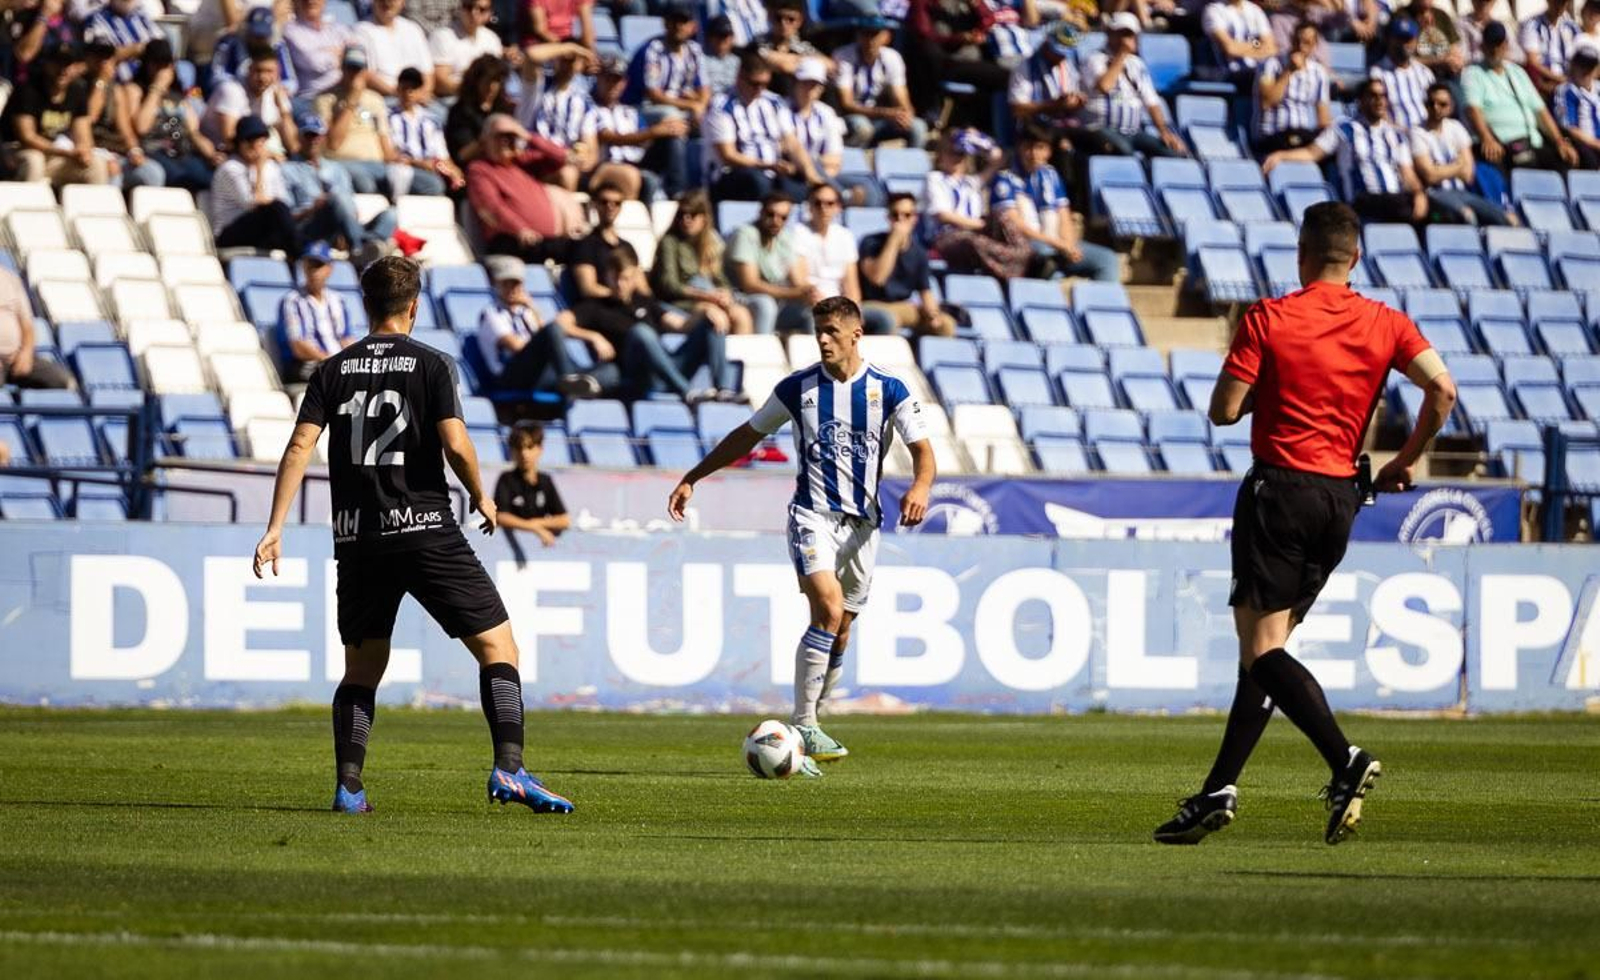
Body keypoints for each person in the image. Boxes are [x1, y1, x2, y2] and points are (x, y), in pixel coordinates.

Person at [1152, 201, 1455, 847]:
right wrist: (1405, 460)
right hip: (1342, 499)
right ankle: (1216, 791)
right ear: (1357, 259)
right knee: (1262, 657)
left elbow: (1225, 411)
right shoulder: (1387, 322)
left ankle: (1345, 761)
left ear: (1301, 254)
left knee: (1262, 652)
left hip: (1280, 490)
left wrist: (1275, 386)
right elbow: (1444, 391)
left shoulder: (1269, 316)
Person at [252, 255, 575, 817]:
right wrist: (481, 495)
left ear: (365, 303)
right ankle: (510, 769)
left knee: (362, 670)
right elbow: (454, 444)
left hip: (357, 540)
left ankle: (349, 788)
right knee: (498, 647)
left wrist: (275, 526)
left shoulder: (331, 369)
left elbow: (300, 446)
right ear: (415, 305)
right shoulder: (431, 364)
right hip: (425, 529)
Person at [667, 296, 935, 775]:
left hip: (863, 525)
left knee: (843, 627)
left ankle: (810, 729)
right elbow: (746, 435)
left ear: (857, 334)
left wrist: (920, 485)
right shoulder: (797, 389)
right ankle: (805, 721)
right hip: (811, 515)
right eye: (818, 332)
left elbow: (923, 450)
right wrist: (695, 475)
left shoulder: (888, 390)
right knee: (828, 609)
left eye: (832, 331)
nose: (824, 340)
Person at [574, 246, 741, 403]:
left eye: (625, 278)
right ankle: (687, 392)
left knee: (712, 321)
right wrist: (593, 336)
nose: (620, 284)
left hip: (668, 367)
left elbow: (681, 325)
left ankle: (724, 391)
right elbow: (562, 322)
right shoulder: (596, 306)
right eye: (615, 278)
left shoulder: (646, 302)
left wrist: (705, 310)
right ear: (607, 276)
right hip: (640, 375)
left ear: (634, 277)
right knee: (641, 332)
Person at [1263, 80, 1428, 225]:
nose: (1379, 101)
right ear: (1361, 100)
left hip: (1395, 201)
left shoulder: (1396, 135)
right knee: (1400, 205)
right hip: (1364, 199)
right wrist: (1281, 155)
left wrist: (1419, 194)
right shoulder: (1344, 128)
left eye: (1383, 96)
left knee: (1433, 210)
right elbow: (1313, 153)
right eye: (1373, 95)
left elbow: (1408, 174)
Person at [992, 126, 1121, 282]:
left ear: (1049, 151)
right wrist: (1058, 244)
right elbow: (1015, 225)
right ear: (1020, 148)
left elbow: (1064, 214)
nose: (1034, 154)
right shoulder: (1005, 179)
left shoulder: (1051, 175)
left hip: (1056, 244)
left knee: (1106, 259)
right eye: (1029, 147)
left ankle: (1102, 305)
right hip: (1026, 247)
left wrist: (1069, 244)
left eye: (1040, 148)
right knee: (1046, 258)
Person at [465, 114, 587, 264]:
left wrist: (528, 136)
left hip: (543, 242)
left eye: (510, 136)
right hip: (511, 241)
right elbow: (491, 207)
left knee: (588, 249)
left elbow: (564, 158)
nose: (505, 141)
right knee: (582, 251)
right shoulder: (479, 169)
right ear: (484, 141)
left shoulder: (522, 164)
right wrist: (519, 229)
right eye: (499, 136)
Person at [703, 51, 821, 204]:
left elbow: (792, 144)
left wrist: (809, 173)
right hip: (731, 175)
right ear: (739, 78)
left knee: (796, 187)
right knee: (759, 183)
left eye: (764, 84)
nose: (759, 89)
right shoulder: (721, 106)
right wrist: (767, 165)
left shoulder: (774, 102)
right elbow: (728, 156)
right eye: (754, 83)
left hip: (771, 172)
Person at [476, 254, 603, 394]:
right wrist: (545, 346)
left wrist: (532, 307)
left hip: (536, 372)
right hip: (510, 376)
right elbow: (518, 347)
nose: (511, 289)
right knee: (553, 329)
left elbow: (547, 339)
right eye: (506, 284)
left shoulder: (526, 312)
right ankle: (569, 380)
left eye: (516, 284)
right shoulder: (491, 314)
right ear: (496, 284)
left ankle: (573, 382)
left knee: (611, 371)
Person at [1463, 22, 1580, 174]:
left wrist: (1559, 141)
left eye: (1499, 44)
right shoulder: (1473, 73)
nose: (1495, 49)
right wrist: (1487, 138)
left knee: (1567, 162)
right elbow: (1473, 109)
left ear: (1506, 45)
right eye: (1491, 44)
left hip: (1531, 142)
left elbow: (1540, 111)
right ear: (1482, 46)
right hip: (1502, 145)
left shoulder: (1517, 72)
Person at [921, 128, 1034, 281]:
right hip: (947, 237)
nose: (957, 159)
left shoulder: (971, 182)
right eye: (951, 153)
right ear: (941, 156)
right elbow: (943, 215)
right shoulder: (934, 179)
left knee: (1002, 218)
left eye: (961, 154)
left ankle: (1024, 255)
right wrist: (978, 225)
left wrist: (977, 139)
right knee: (973, 242)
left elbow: (998, 159)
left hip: (976, 231)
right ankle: (1016, 268)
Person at [283, 109, 399, 257]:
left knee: (391, 214)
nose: (314, 140)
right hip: (309, 226)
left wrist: (345, 225)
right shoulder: (287, 170)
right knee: (336, 198)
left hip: (343, 226)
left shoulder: (336, 168)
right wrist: (313, 209)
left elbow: (350, 206)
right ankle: (360, 249)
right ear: (299, 138)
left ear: (324, 137)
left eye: (317, 135)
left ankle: (367, 244)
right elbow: (286, 216)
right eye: (309, 135)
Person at [0, 41, 111, 186]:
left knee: (96, 164)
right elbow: (27, 137)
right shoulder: (28, 90)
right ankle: (28, 207)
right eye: (58, 63)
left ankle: (92, 208)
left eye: (68, 64)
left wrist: (84, 151)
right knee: (34, 161)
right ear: (46, 64)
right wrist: (66, 152)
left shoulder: (77, 91)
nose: (63, 70)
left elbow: (84, 134)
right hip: (16, 151)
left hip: (55, 153)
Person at [1078, 12, 1188, 157]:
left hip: (1132, 131)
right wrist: (1122, 55)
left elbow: (1152, 102)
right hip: (1100, 128)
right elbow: (1104, 86)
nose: (1124, 39)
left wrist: (1164, 132)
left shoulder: (1137, 64)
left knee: (1174, 153)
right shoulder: (1095, 59)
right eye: (1120, 34)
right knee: (1123, 151)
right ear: (1110, 33)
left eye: (1128, 35)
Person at [628, 1, 708, 198]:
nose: (679, 26)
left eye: (684, 21)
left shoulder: (694, 50)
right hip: (642, 109)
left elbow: (705, 89)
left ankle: (705, 188)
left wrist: (701, 105)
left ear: (692, 26)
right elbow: (653, 94)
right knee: (672, 119)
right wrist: (692, 103)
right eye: (674, 21)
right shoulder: (652, 49)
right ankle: (677, 189)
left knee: (712, 120)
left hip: (679, 106)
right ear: (665, 23)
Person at [794, 183, 896, 335]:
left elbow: (851, 283)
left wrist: (854, 310)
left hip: (840, 304)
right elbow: (800, 280)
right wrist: (824, 305)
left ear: (838, 207)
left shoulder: (845, 236)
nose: (823, 208)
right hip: (809, 303)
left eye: (830, 203)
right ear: (809, 206)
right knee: (818, 318)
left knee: (884, 319)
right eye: (817, 203)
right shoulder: (798, 233)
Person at [651, 190, 756, 335]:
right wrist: (706, 295)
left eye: (692, 215)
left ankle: (740, 357)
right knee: (715, 316)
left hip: (709, 298)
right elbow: (669, 285)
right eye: (681, 215)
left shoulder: (710, 243)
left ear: (704, 218)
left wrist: (725, 293)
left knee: (741, 315)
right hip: (682, 302)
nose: (686, 220)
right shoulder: (669, 242)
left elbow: (720, 279)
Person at [1412, 82, 1515, 225]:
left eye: (1442, 104)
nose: (1436, 108)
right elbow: (1429, 176)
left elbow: (1468, 174)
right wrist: (1457, 165)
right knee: (1467, 216)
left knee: (1505, 219)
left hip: (1463, 192)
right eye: (1431, 103)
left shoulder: (1456, 127)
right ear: (1425, 105)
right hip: (1436, 193)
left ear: (1451, 107)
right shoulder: (1417, 132)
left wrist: (1439, 168)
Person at [858, 193, 958, 338]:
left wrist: (933, 314)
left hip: (903, 306)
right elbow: (878, 278)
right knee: (888, 319)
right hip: (872, 304)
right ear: (888, 218)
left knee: (946, 325)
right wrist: (893, 242)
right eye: (895, 215)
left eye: (907, 215)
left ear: (914, 219)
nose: (900, 220)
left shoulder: (919, 252)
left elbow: (925, 291)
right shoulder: (870, 243)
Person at [790, 57, 883, 209]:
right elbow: (787, 151)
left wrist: (815, 164)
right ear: (796, 84)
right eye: (805, 83)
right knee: (808, 163)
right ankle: (842, 197)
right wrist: (810, 162)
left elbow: (835, 159)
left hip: (825, 173)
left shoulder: (826, 113)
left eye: (814, 85)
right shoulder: (782, 110)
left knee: (870, 186)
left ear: (821, 88)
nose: (810, 89)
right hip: (795, 174)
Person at [587, 52, 675, 204]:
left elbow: (644, 142)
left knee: (672, 140)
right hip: (603, 166)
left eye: (617, 80)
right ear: (599, 78)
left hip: (634, 163)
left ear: (624, 83)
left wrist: (666, 131)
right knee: (641, 179)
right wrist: (653, 132)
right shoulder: (589, 108)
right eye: (608, 78)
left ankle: (677, 194)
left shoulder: (630, 112)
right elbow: (608, 137)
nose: (612, 84)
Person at [315, 46, 403, 195]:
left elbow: (384, 142)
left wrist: (399, 161)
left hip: (377, 163)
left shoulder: (376, 100)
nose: (354, 73)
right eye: (350, 68)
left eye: (358, 69)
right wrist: (351, 102)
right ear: (342, 68)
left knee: (429, 184)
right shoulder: (325, 100)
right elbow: (333, 144)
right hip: (343, 162)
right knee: (365, 184)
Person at [727, 191, 817, 336]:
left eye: (783, 217)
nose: (776, 220)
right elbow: (750, 284)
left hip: (777, 301)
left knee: (814, 309)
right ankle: (761, 356)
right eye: (770, 214)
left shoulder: (785, 237)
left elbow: (797, 280)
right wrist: (793, 293)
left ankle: (816, 356)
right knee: (765, 304)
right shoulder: (745, 234)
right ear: (761, 212)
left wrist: (809, 293)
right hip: (740, 299)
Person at [210, 114, 300, 253]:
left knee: (283, 215)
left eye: (260, 141)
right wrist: (259, 169)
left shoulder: (271, 167)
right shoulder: (230, 168)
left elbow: (283, 201)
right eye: (250, 141)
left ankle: (303, 251)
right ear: (239, 143)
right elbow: (252, 203)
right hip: (230, 231)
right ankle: (302, 251)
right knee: (276, 209)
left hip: (263, 228)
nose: (255, 146)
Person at [833, 15, 926, 150]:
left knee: (918, 127)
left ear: (886, 37)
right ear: (857, 36)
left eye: (875, 34)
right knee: (862, 127)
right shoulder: (843, 56)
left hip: (881, 119)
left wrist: (905, 114)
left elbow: (900, 96)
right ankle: (854, 165)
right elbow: (846, 103)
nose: (870, 40)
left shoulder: (892, 57)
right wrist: (886, 113)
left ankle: (911, 166)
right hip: (852, 117)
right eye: (865, 34)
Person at [202, 43, 300, 158]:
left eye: (269, 72)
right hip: (220, 154)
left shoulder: (276, 91)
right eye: (258, 71)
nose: (263, 77)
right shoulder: (231, 90)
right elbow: (230, 140)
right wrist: (270, 155)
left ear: (278, 73)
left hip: (257, 155)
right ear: (249, 69)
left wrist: (284, 112)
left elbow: (293, 146)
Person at [1252, 19, 1332, 155]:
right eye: (1297, 41)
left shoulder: (1319, 73)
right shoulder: (1271, 65)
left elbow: (1323, 118)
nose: (1301, 47)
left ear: (1314, 46)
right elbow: (1266, 103)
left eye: (1307, 43)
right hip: (1273, 133)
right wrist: (1288, 71)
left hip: (1302, 134)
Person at [278, 242, 355, 382]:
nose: (314, 271)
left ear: (329, 269)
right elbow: (297, 345)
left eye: (318, 265)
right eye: (309, 265)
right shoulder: (292, 301)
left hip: (334, 364)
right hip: (309, 363)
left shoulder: (338, 300)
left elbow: (345, 337)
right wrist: (329, 360)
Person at [494, 421, 571, 546]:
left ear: (540, 449)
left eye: (529, 447)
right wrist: (532, 527)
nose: (524, 454)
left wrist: (537, 524)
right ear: (512, 451)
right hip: (507, 550)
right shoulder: (506, 479)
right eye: (519, 448)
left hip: (538, 551)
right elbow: (500, 516)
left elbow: (564, 520)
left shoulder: (545, 480)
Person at [389, 67, 462, 196]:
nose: (409, 92)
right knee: (433, 185)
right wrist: (418, 163)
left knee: (461, 183)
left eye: (413, 88)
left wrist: (454, 172)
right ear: (398, 88)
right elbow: (391, 152)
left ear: (420, 91)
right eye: (405, 87)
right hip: (403, 168)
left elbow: (442, 155)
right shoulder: (388, 117)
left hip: (432, 167)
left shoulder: (431, 120)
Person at [0, 265, 75, 390]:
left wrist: (26, 353)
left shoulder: (10, 279)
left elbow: (27, 325)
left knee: (63, 381)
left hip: (16, 357)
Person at [210, 5, 300, 99]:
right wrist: (245, 84)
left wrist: (280, 89)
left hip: (270, 96)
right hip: (236, 97)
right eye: (255, 35)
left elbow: (291, 81)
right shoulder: (230, 43)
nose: (259, 40)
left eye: (263, 36)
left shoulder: (278, 45)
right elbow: (217, 77)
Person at [355, 0, 436, 98]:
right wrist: (402, 95)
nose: (387, 3)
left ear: (402, 2)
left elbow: (428, 72)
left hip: (418, 99)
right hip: (385, 98)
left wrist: (421, 93)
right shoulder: (361, 31)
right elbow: (366, 74)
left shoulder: (413, 29)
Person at [445, 54, 515, 165]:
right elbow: (463, 155)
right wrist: (489, 137)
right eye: (487, 81)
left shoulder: (504, 108)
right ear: (476, 81)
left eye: (496, 81)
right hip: (476, 168)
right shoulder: (460, 112)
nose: (492, 87)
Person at [430, 0, 507, 98]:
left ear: (489, 13)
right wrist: (474, 88)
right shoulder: (443, 36)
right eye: (469, 7)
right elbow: (441, 82)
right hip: (451, 99)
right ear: (460, 8)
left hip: (485, 99)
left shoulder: (492, 39)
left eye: (482, 9)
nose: (474, 13)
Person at [1371, 18, 1436, 130]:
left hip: (1427, 135)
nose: (1404, 44)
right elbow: (1378, 113)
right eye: (1399, 39)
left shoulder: (1425, 72)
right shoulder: (1377, 73)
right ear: (1389, 40)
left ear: (1416, 41)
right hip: (1396, 136)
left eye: (1408, 39)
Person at [756, 0, 829, 99]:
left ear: (799, 21)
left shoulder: (802, 46)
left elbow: (830, 65)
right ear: (769, 16)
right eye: (778, 18)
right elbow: (781, 65)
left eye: (791, 19)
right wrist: (806, 63)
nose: (784, 23)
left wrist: (794, 62)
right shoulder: (758, 42)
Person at [284, 0, 353, 100]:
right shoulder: (291, 31)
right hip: (314, 97)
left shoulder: (337, 28)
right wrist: (341, 54)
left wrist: (327, 52)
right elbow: (316, 63)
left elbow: (357, 56)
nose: (310, 1)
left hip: (343, 91)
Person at [1202, 0, 1278, 91]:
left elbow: (1271, 48)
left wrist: (1243, 47)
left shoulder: (1255, 10)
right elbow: (1230, 48)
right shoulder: (1214, 10)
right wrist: (1257, 45)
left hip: (1256, 69)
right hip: (1229, 72)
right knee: (1265, 78)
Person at [81, 0, 161, 84]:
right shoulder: (96, 19)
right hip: (112, 83)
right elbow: (102, 55)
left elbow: (161, 46)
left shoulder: (143, 17)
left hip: (147, 81)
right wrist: (137, 49)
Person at [1521, 0, 1583, 97]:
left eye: (1563, 3)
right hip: (1546, 82)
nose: (1559, 6)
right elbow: (1532, 62)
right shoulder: (1533, 25)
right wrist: (1560, 79)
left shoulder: (1572, 26)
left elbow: (1581, 55)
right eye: (1556, 2)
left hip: (1571, 81)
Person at [1557, 47, 1600, 169]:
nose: (1586, 72)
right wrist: (1596, 144)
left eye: (1590, 67)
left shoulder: (1598, 88)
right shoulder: (1566, 90)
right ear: (1573, 66)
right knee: (1588, 158)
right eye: (1582, 66)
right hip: (1585, 144)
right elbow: (1570, 127)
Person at [1408, 0, 1465, 82]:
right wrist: (1438, 61)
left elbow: (1454, 49)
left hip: (1447, 76)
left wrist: (1454, 61)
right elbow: (1407, 59)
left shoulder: (1441, 15)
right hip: (1417, 77)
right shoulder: (1403, 17)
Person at [1459, 0, 1521, 64]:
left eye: (1488, 0)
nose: (1484, 3)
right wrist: (1490, 56)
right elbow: (1462, 56)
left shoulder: (1502, 25)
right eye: (1479, 0)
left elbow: (1520, 56)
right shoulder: (1462, 25)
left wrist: (1501, 55)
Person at [522, 0, 594, 50]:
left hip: (568, 41)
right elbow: (540, 30)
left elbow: (587, 30)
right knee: (533, 54)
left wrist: (588, 51)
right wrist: (566, 48)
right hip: (540, 43)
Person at [701, 15, 741, 98]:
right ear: (710, 37)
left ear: (732, 38)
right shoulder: (700, 60)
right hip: (710, 102)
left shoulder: (738, 61)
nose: (722, 40)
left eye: (725, 35)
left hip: (735, 102)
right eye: (718, 35)